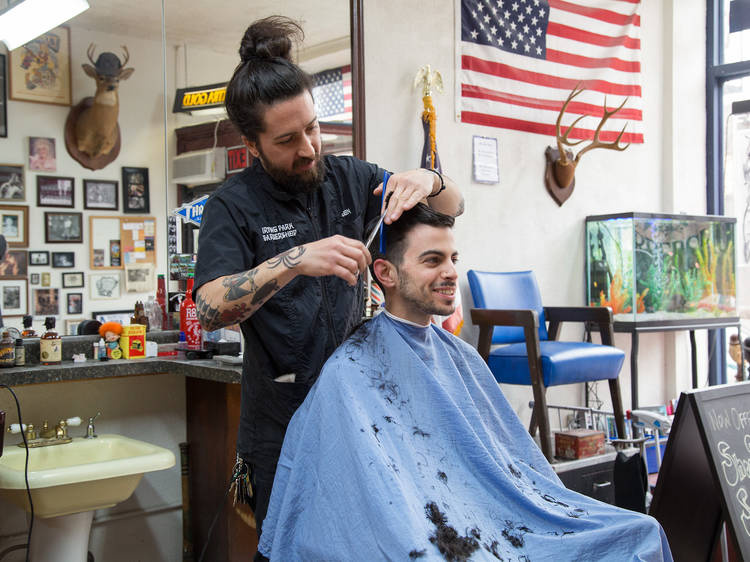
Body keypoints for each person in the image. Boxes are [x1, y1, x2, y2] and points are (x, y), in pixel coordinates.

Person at [257, 204, 673, 561]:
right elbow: (372, 499)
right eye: (433, 260)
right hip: (425, 531)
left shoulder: (460, 356)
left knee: (640, 532)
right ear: (385, 272)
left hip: (496, 519)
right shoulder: (352, 370)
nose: (452, 272)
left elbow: (517, 470)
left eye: (454, 258)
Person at [193, 15, 463, 545]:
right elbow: (208, 307)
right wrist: (293, 260)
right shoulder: (233, 206)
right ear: (253, 144)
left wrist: (427, 178)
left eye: (313, 127)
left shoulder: (349, 178)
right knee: (289, 544)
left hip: (359, 408)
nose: (310, 148)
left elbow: (453, 205)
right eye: (288, 139)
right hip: (282, 422)